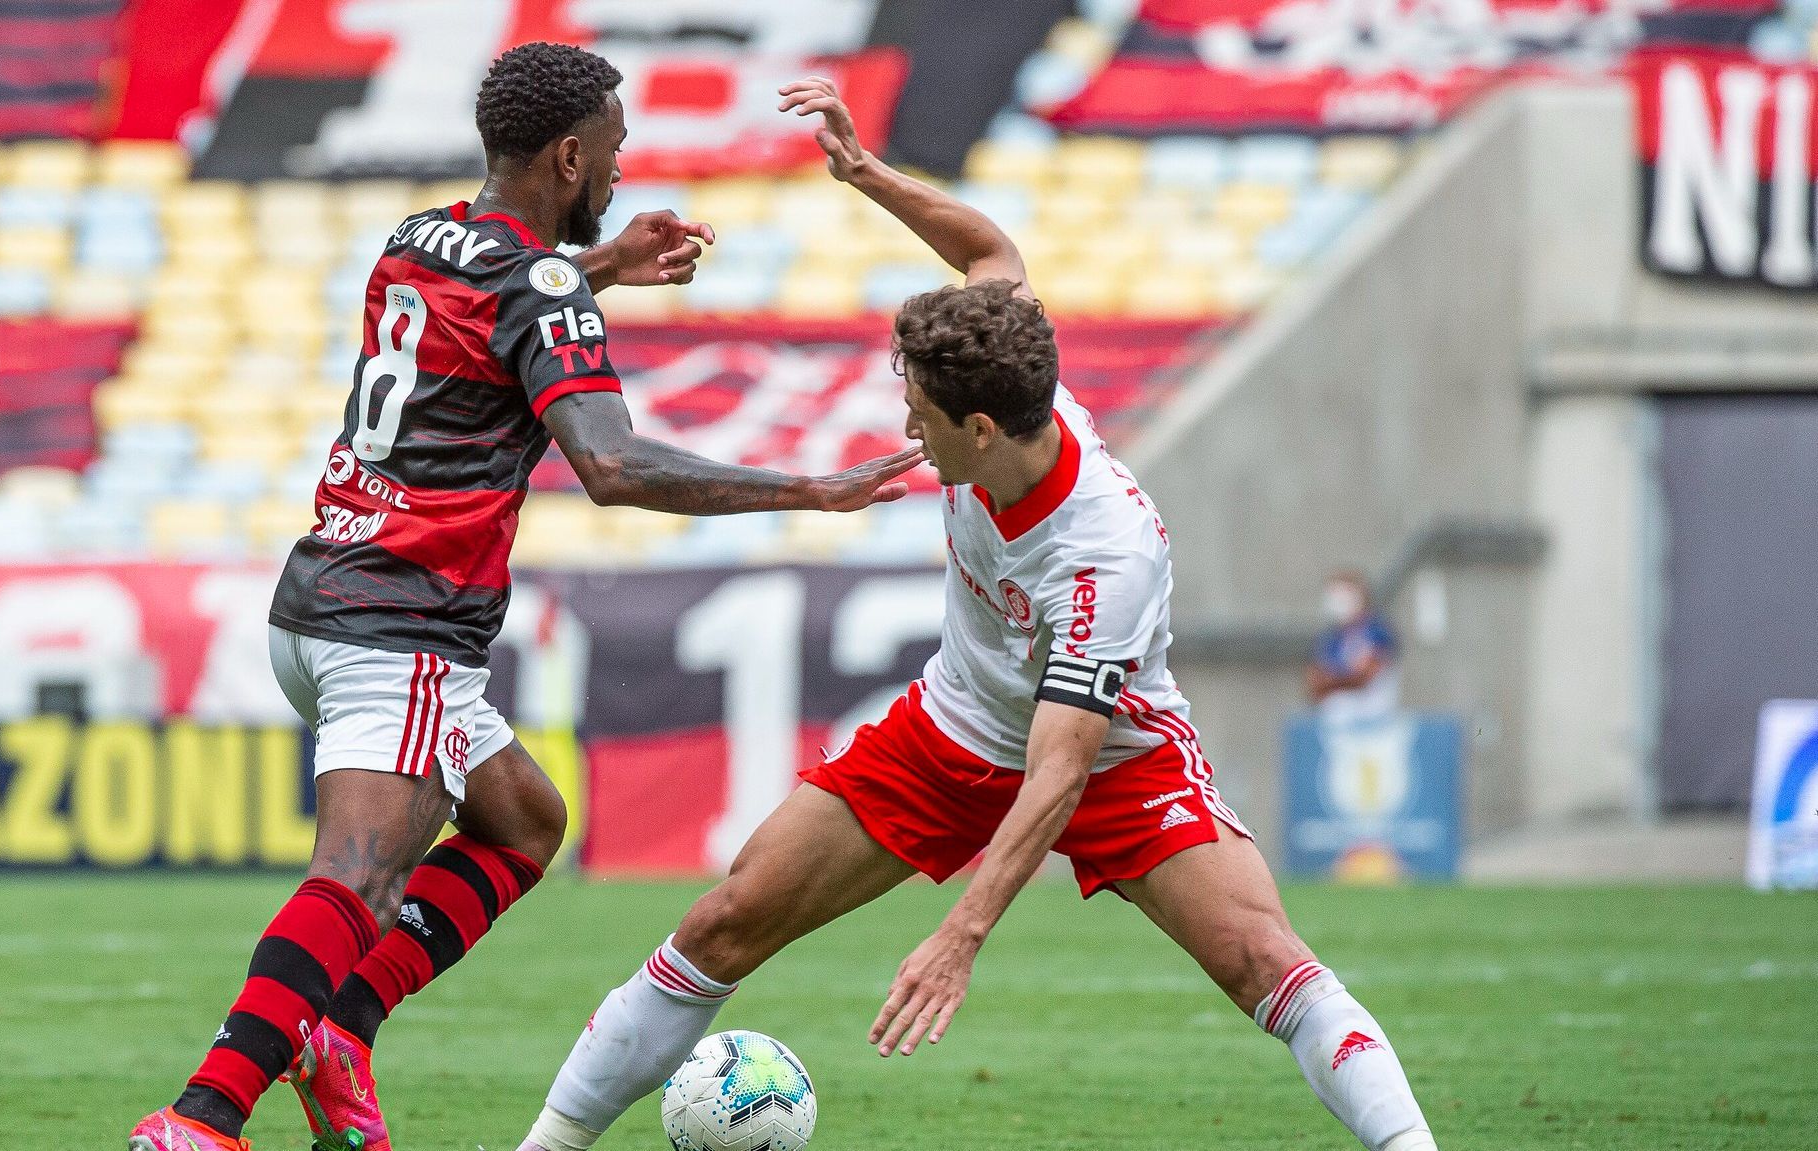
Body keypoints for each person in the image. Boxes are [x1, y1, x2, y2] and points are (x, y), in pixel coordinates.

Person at [509, 78, 1441, 1151]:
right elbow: (990, 251)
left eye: (920, 411)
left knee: (1262, 961)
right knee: (725, 919)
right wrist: (867, 175)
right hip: (954, 724)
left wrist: (960, 933)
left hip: (1109, 755)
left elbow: (1058, 769)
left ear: (984, 429)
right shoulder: (1007, 360)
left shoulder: (1105, 552)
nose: (907, 423)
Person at [127, 45, 923, 1151]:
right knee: (359, 877)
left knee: (523, 821)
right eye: (614, 148)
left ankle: (339, 1031)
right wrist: (807, 488)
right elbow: (613, 465)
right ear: (569, 156)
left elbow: (494, 308)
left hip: (319, 597)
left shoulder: (419, 238)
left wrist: (597, 268)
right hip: (400, 619)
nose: (622, 167)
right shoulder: (541, 288)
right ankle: (203, 1114)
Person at [1308, 571, 1401, 726]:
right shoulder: (1332, 639)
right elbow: (1315, 682)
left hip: (1375, 715)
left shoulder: (1376, 632)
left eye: (1341, 597)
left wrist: (1333, 681)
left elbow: (1364, 676)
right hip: (1337, 717)